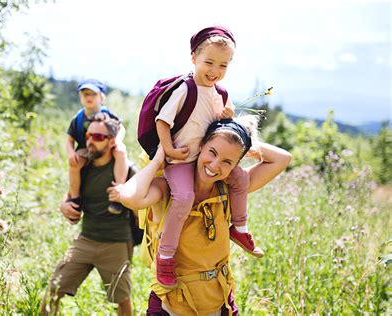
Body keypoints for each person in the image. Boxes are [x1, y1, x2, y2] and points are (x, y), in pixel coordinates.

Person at [118, 117, 292, 315]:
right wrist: (158, 160)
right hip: (171, 305)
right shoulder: (167, 188)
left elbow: (283, 158)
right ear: (200, 146)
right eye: (213, 152)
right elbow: (128, 197)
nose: (215, 165)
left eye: (227, 161)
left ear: (235, 165)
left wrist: (240, 139)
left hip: (219, 302)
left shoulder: (229, 189)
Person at [153, 25, 261, 288]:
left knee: (240, 180)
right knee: (184, 197)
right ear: (193, 58)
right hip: (181, 159)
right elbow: (163, 121)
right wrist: (168, 150)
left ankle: (240, 227)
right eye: (209, 62)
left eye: (223, 65)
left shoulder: (220, 93)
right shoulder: (185, 89)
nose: (215, 71)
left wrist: (227, 116)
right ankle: (165, 255)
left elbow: (224, 126)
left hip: (205, 157)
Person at [41, 113, 133, 316]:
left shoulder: (126, 169)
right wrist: (63, 204)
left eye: (98, 137)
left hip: (116, 243)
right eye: (89, 135)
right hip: (86, 240)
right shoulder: (83, 166)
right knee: (52, 291)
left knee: (123, 299)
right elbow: (71, 195)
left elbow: (140, 200)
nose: (91, 140)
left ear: (111, 142)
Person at [66, 78, 128, 214]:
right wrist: (71, 153)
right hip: (85, 149)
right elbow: (69, 139)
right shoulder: (78, 118)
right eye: (85, 94)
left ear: (101, 97)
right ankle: (75, 198)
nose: (89, 97)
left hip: (106, 147)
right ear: (80, 97)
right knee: (74, 164)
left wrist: (118, 140)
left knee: (121, 152)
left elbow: (121, 128)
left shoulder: (107, 114)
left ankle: (118, 192)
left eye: (93, 94)